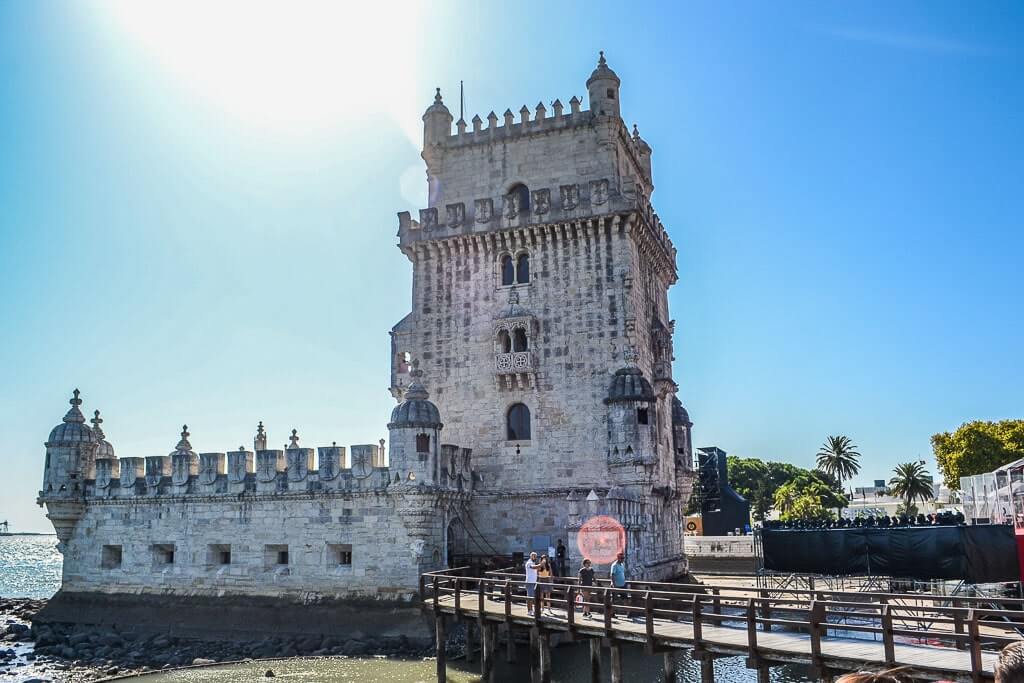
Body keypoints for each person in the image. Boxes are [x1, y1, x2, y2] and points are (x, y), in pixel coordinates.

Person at [609, 551, 629, 620]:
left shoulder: (622, 565)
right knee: (614, 600)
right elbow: (612, 575)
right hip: (616, 585)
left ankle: (628, 613)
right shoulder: (614, 565)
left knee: (625, 599)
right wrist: (613, 585)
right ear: (618, 558)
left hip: (623, 584)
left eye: (623, 558)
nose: (623, 559)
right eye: (621, 558)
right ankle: (612, 613)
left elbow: (622, 574)